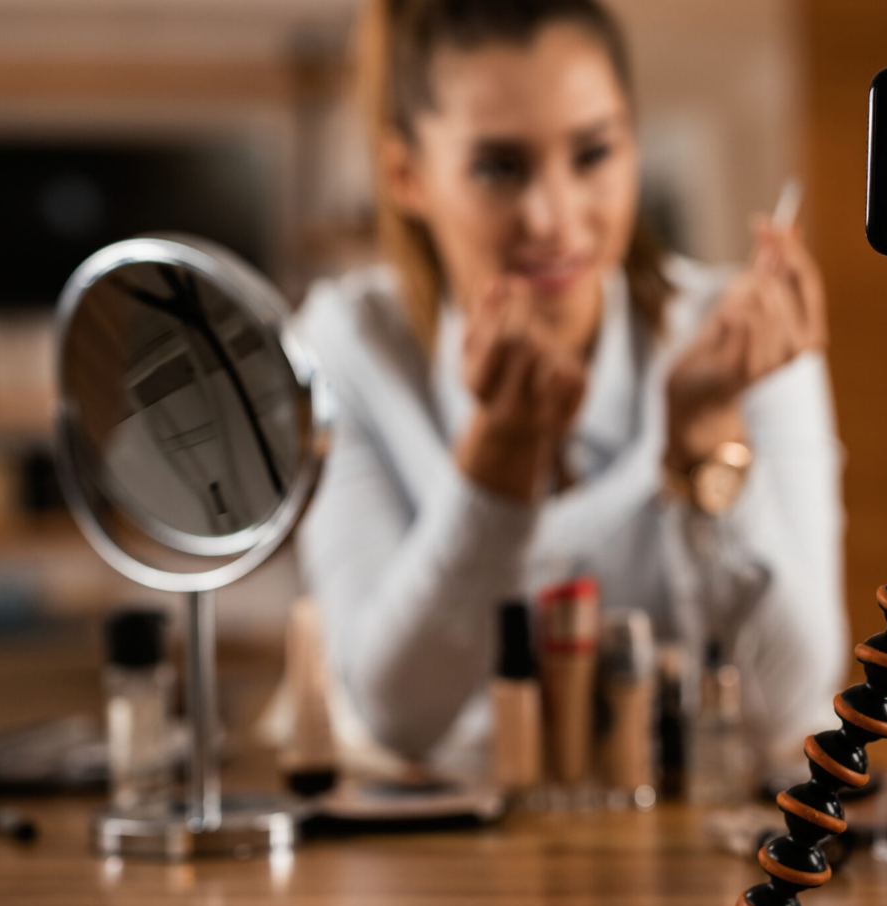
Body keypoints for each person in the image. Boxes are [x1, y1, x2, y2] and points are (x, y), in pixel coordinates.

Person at [294, 0, 844, 775]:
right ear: (406, 177)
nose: (553, 219)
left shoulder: (738, 339)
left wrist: (706, 439)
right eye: (499, 168)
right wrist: (498, 464)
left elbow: (785, 707)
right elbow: (396, 716)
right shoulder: (351, 348)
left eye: (592, 155)